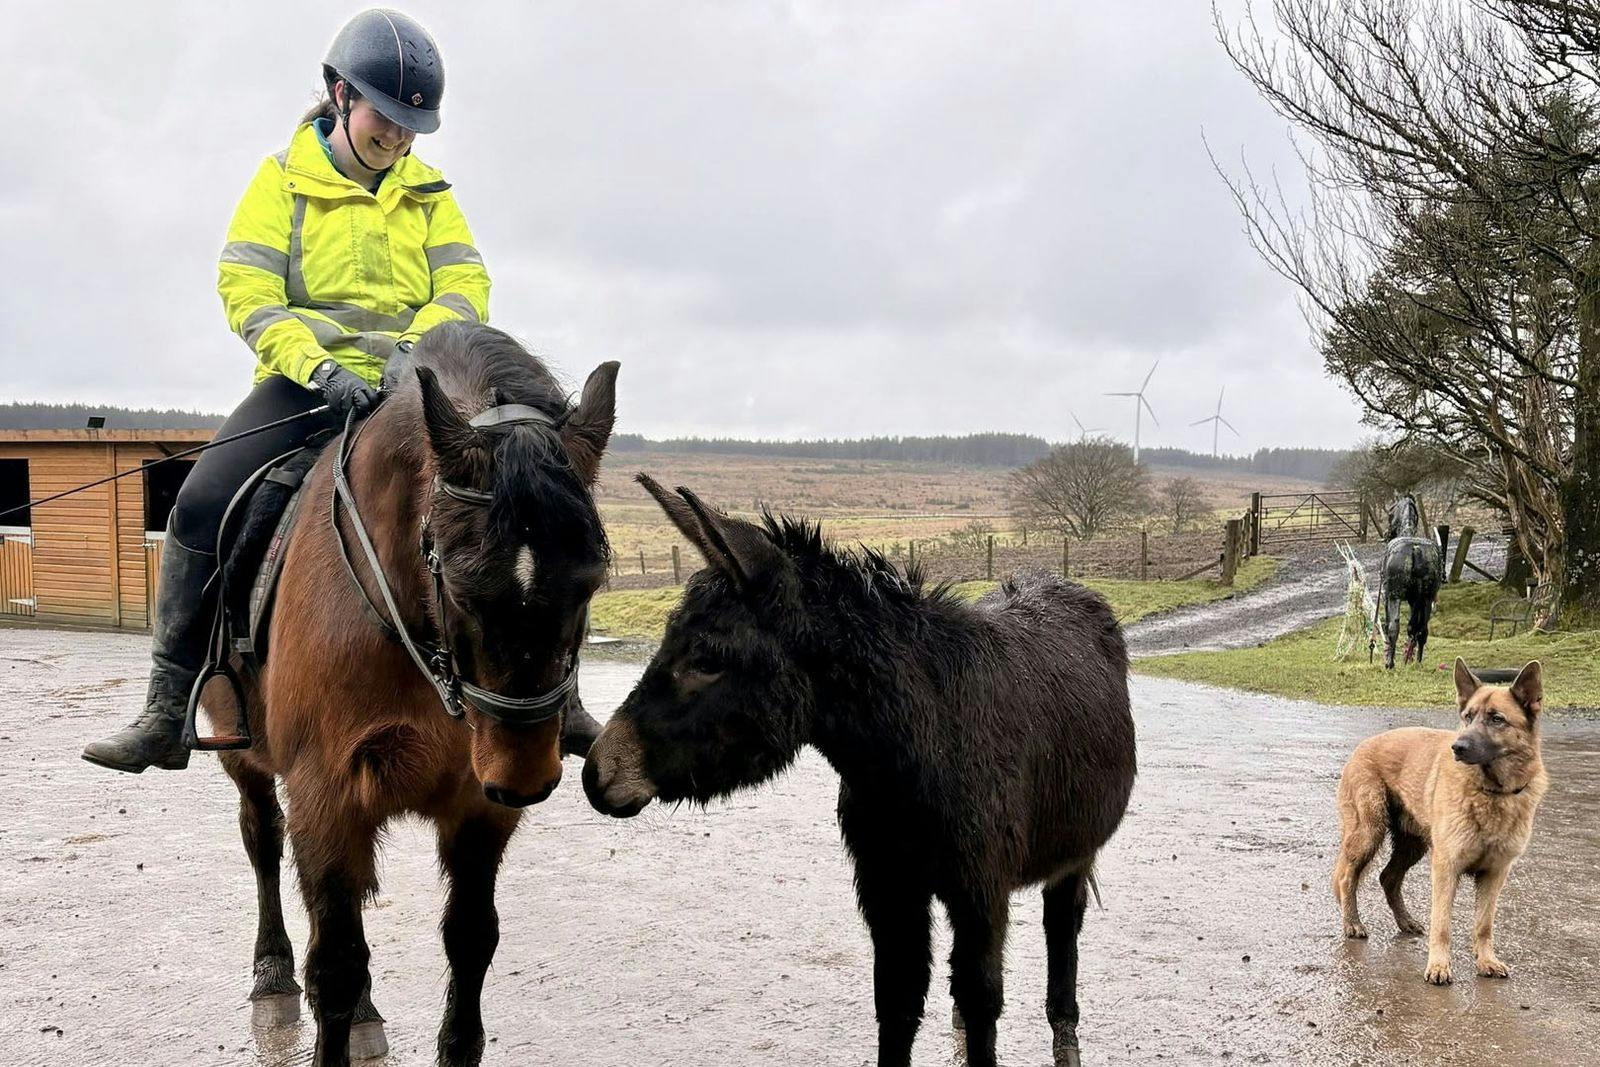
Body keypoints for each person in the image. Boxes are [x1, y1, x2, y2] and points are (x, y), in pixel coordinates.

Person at [83, 8, 600, 773]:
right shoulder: (280, 181)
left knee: (533, 500)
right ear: (339, 95)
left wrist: (409, 356)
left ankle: (564, 697)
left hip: (417, 388)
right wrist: (319, 367)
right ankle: (167, 705)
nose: (397, 138)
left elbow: (464, 284)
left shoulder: (429, 191)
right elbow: (248, 290)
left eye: (411, 127)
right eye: (384, 119)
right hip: (306, 387)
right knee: (200, 500)